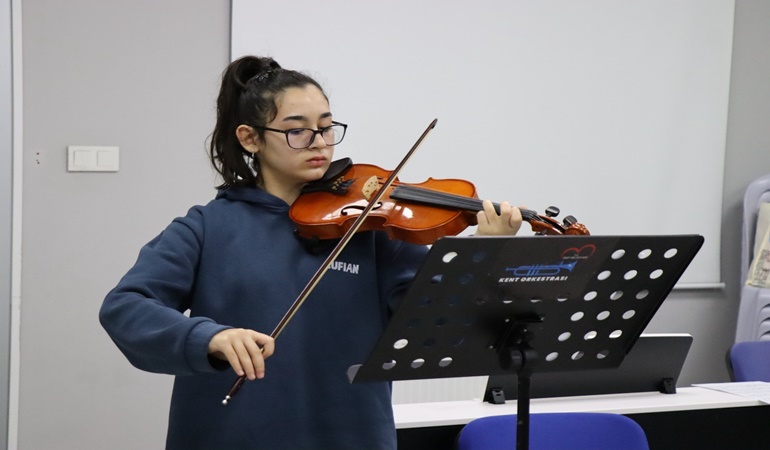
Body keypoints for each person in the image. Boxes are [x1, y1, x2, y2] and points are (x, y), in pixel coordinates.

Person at [99, 55, 523, 450]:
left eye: (326, 127)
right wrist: (209, 337)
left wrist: (484, 253)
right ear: (250, 138)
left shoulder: (369, 226)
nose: (319, 142)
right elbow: (126, 307)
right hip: (233, 434)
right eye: (297, 130)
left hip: (351, 434)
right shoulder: (207, 227)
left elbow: (433, 319)